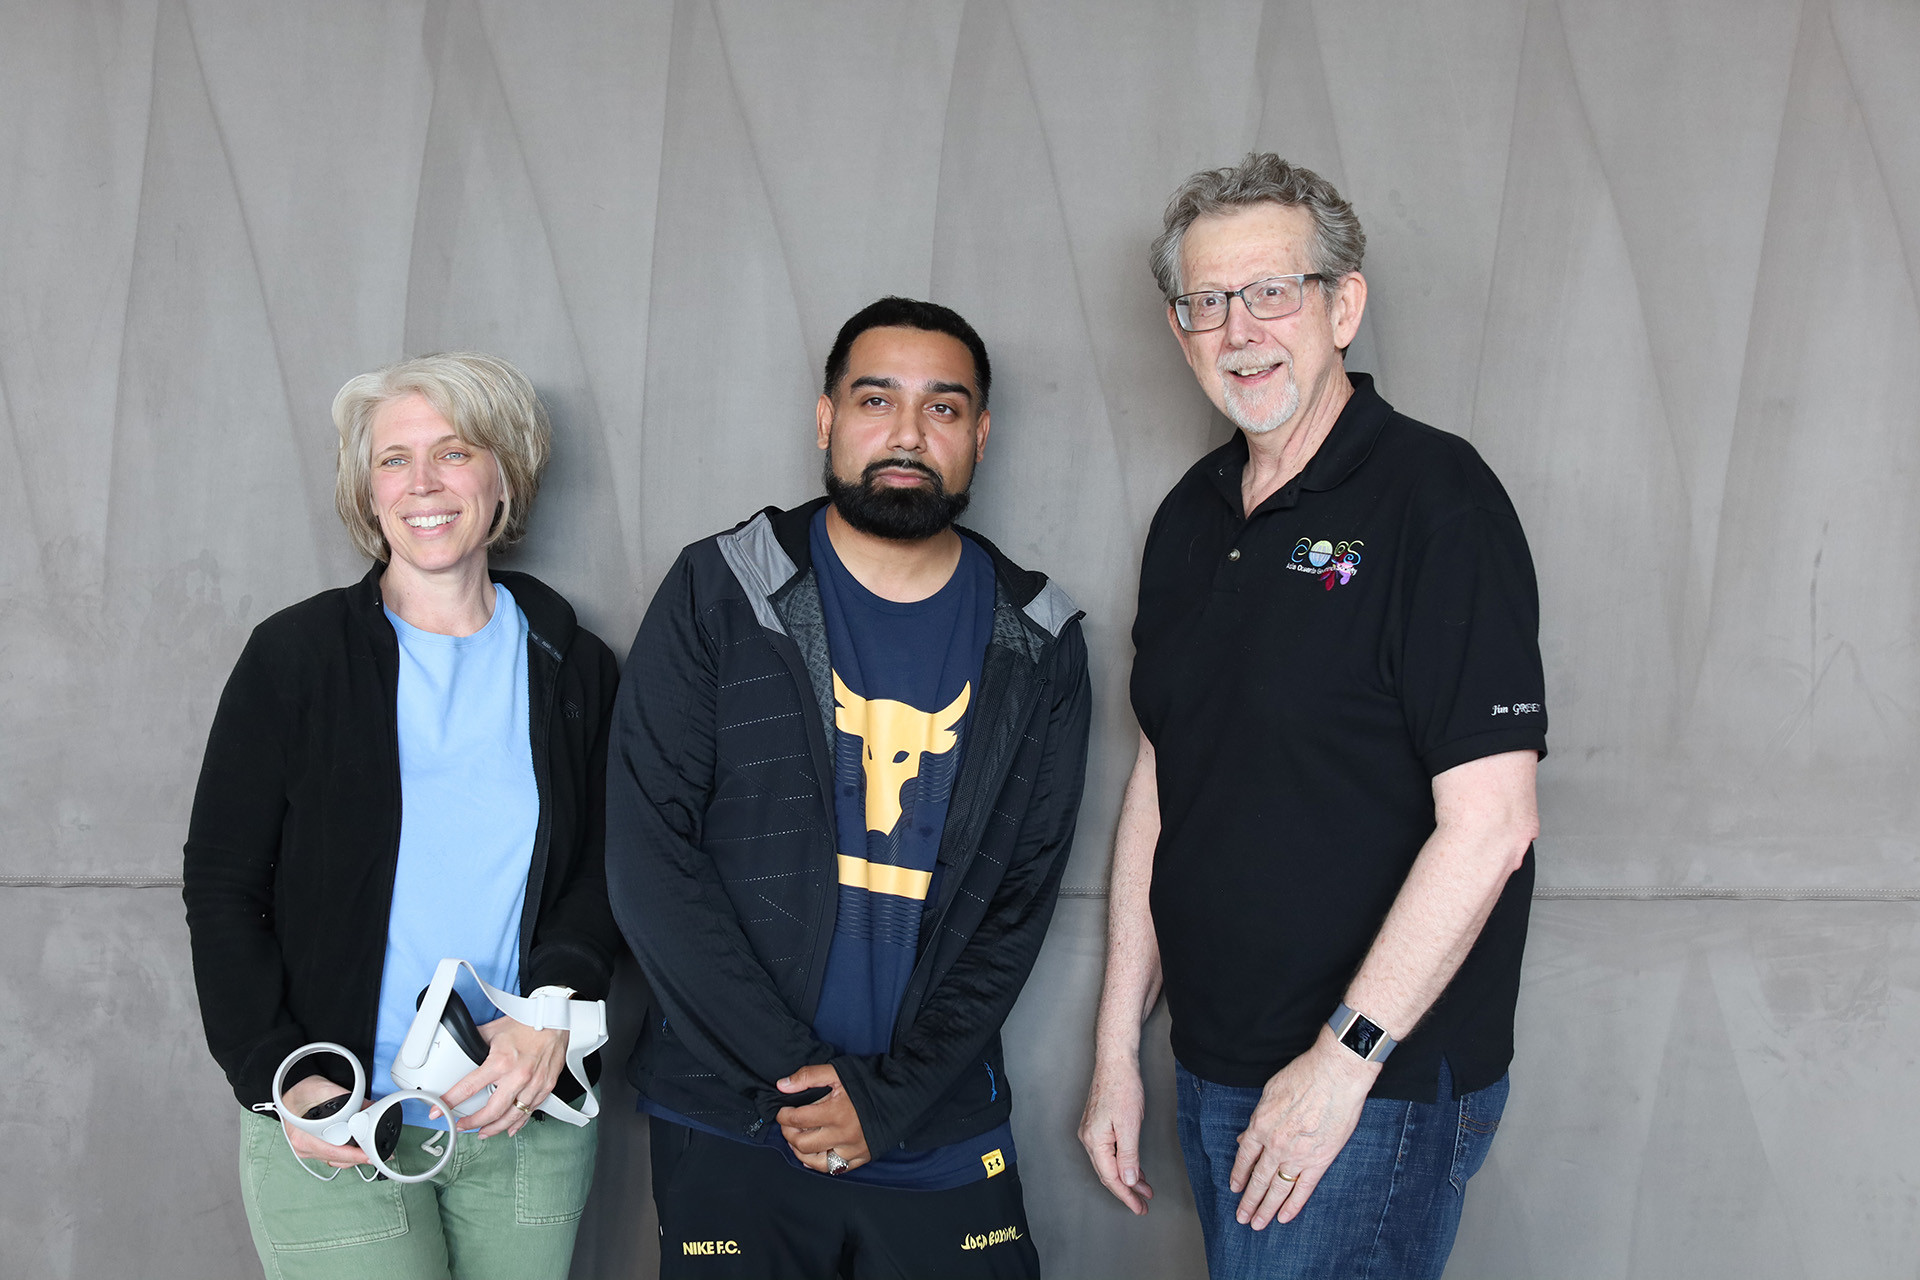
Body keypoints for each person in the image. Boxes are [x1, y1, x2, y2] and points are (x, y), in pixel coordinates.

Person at [1078, 155, 1546, 1279]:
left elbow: (1492, 823)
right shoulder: (1190, 519)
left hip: (1369, 1088)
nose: (1240, 330)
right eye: (1207, 301)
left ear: (1344, 306)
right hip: (1213, 1063)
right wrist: (1117, 1049)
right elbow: (1164, 776)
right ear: (1181, 330)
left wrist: (1342, 1064)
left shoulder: (1438, 497)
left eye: (1272, 291)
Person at [606, 297, 1092, 1279]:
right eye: (876, 400)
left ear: (980, 435)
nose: (907, 432)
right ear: (826, 419)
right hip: (736, 1115)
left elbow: (1017, 903)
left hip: (932, 1118)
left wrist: (887, 1098)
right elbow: (650, 857)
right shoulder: (723, 589)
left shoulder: (1038, 637)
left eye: (943, 407)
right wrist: (798, 1081)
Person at [182, 352, 622, 1279]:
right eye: (394, 459)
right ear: (367, 488)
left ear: (504, 476)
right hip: (339, 1115)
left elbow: (605, 866)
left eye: (453, 452)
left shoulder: (572, 667)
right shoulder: (297, 657)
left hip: (522, 1111)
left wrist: (553, 1007)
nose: (422, 483)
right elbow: (222, 886)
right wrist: (283, 1075)